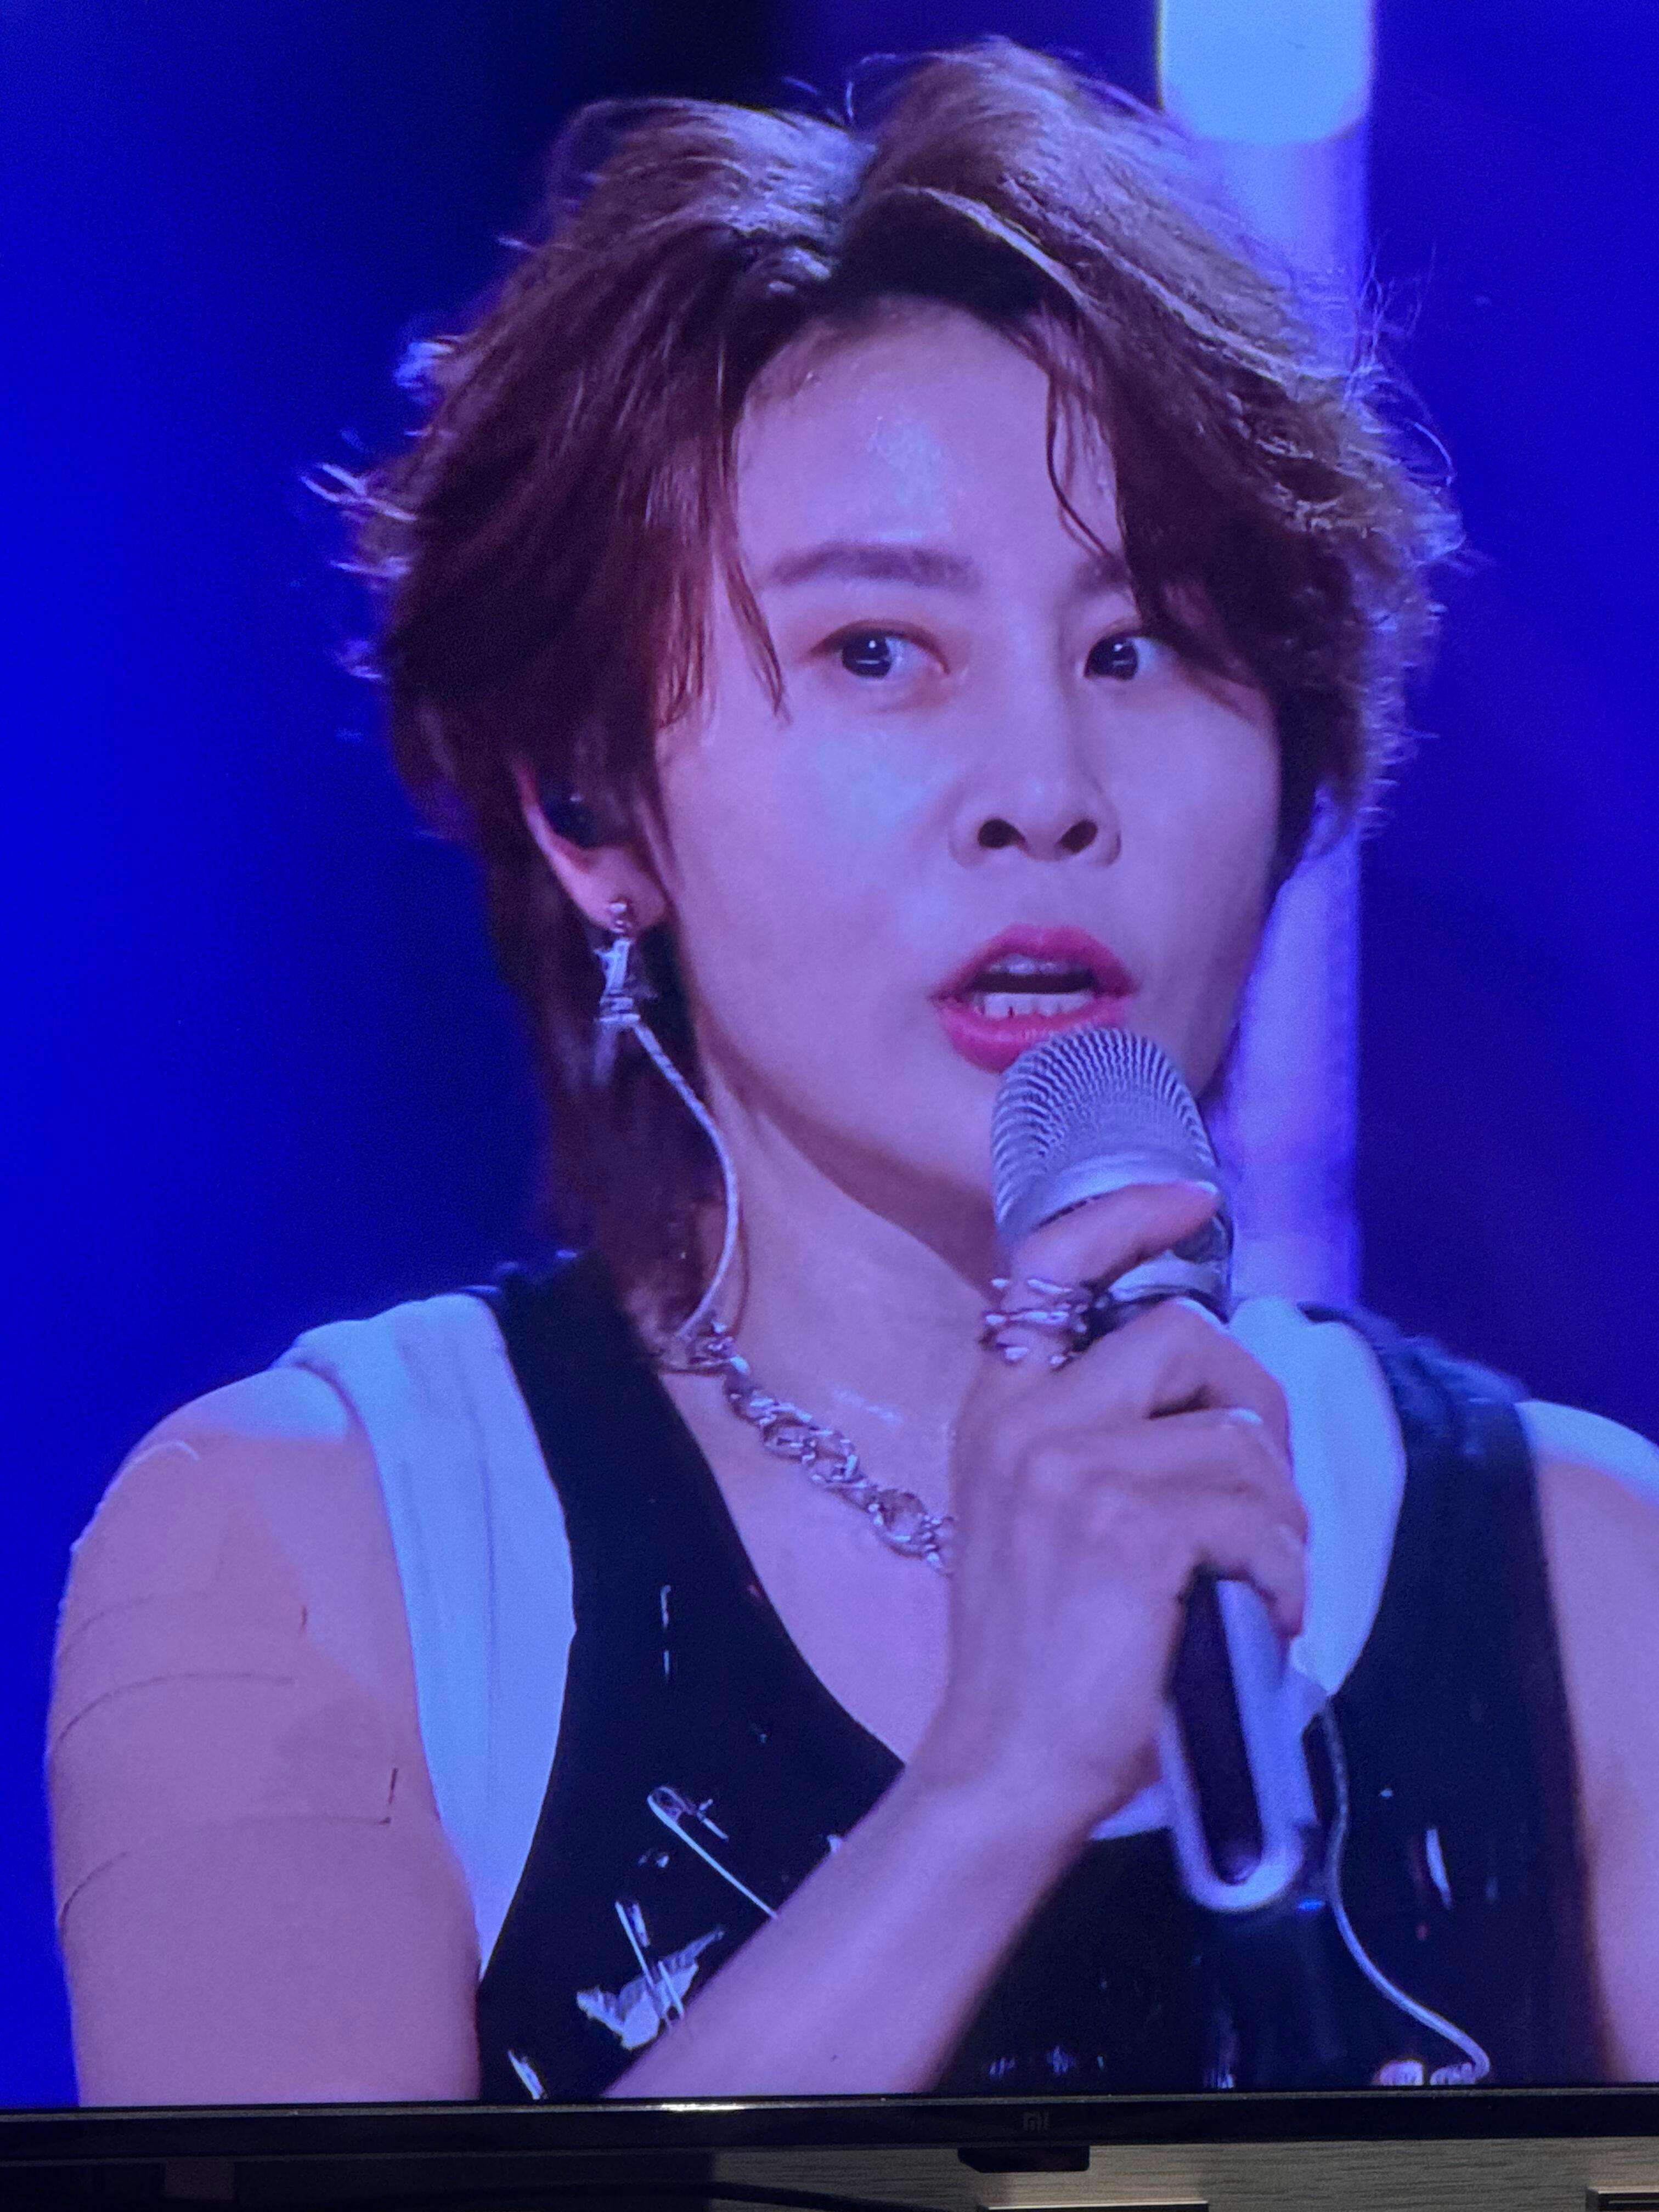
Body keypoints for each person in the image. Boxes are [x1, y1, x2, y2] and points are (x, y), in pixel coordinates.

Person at [47, 41, 1659, 2107]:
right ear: (587, 804)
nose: (1044, 790)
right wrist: (992, 1787)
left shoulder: (1582, 1582)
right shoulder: (314, 1553)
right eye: (878, 651)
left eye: (1142, 646)